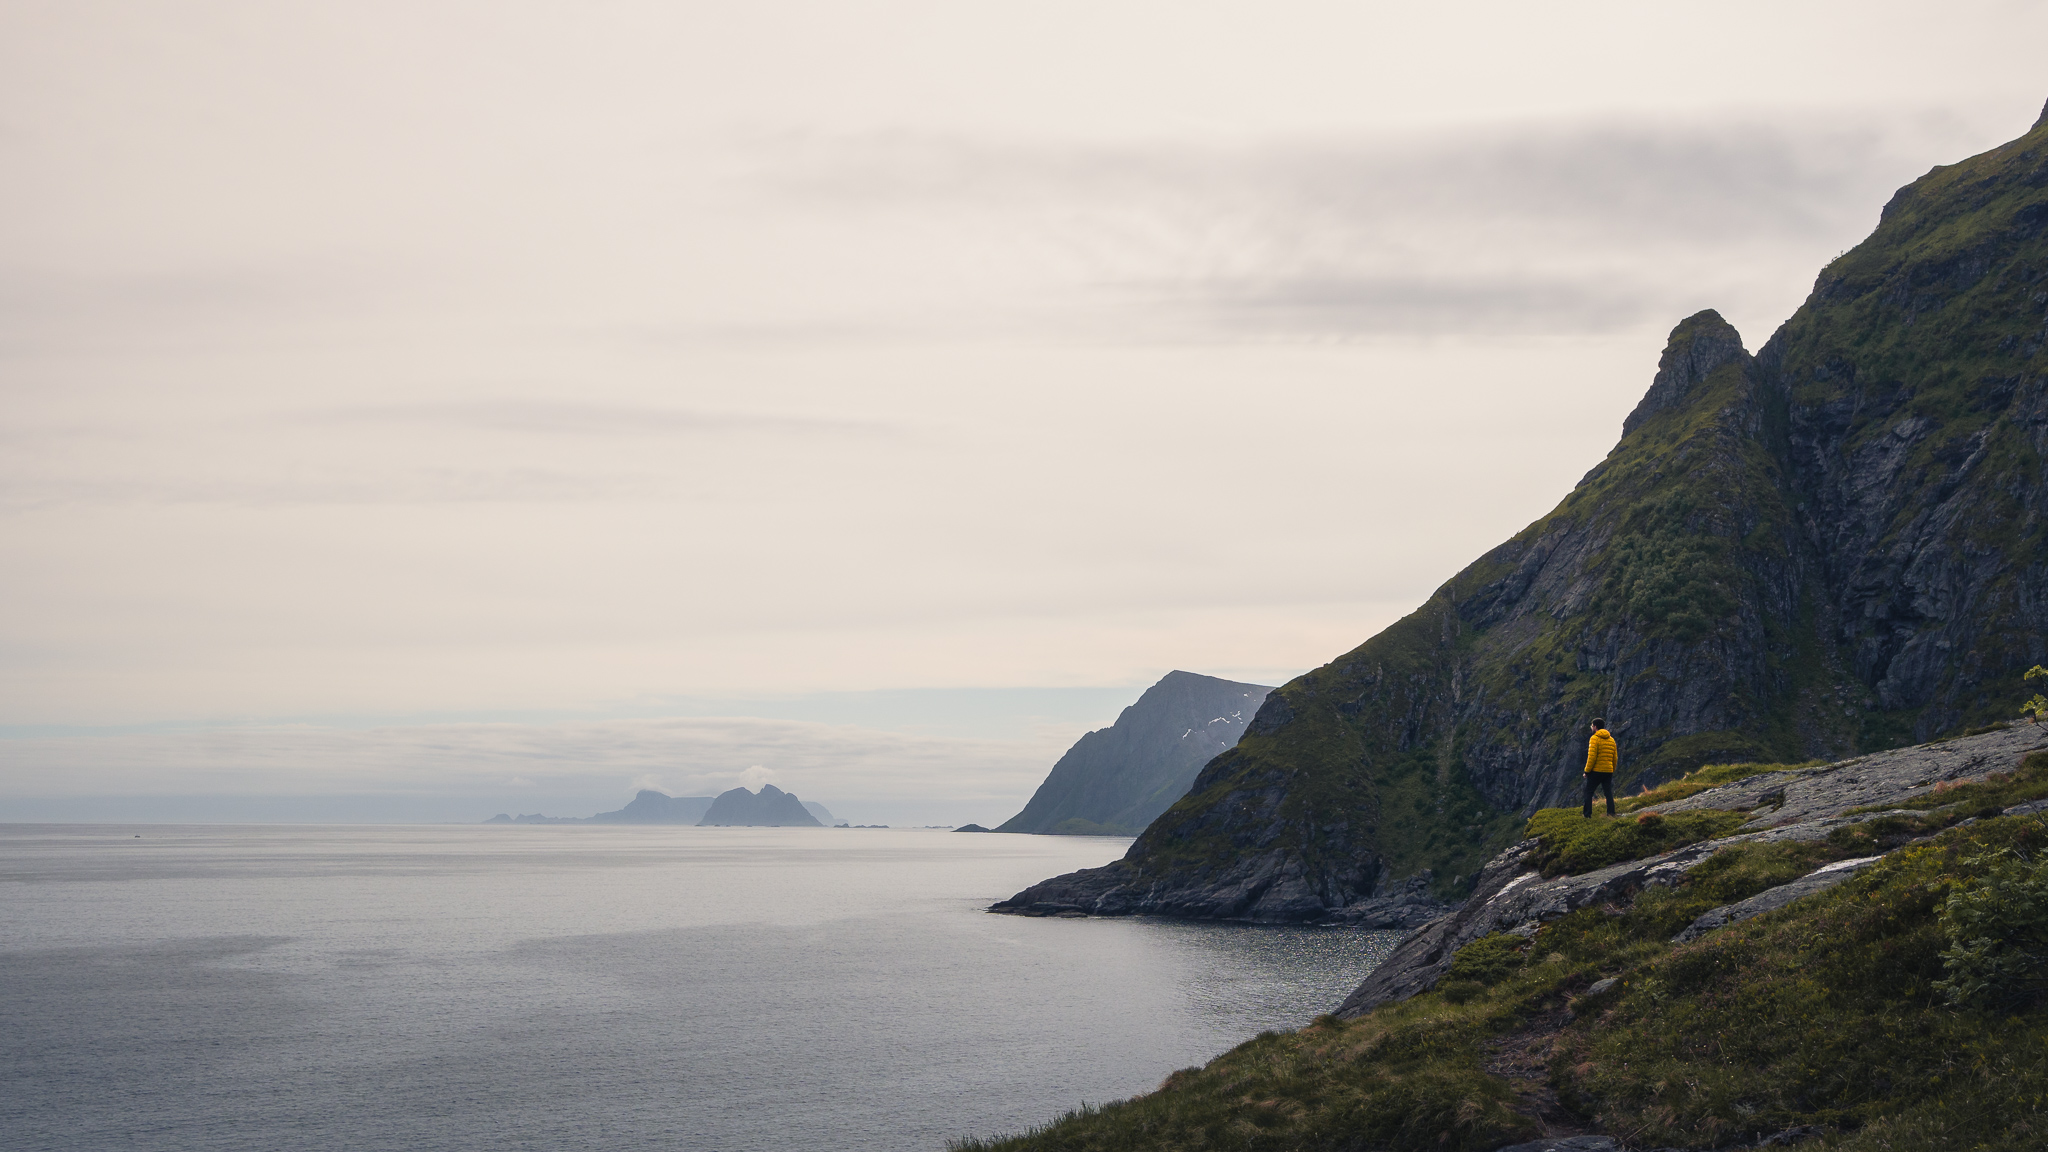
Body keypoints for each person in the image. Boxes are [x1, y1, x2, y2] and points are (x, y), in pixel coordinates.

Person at [1582, 718, 1618, 818]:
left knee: (1589, 792)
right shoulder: (1611, 740)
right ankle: (1611, 813)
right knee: (1608, 792)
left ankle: (1587, 815)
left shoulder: (1594, 739)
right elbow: (1615, 757)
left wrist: (1587, 771)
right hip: (1608, 771)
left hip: (1596, 771)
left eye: (1592, 726)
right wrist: (1612, 769)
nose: (1591, 728)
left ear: (1595, 727)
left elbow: (1592, 757)